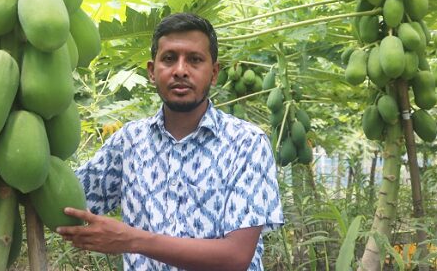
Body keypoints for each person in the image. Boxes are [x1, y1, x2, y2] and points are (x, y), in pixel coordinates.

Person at [56, 13, 284, 270]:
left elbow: (236, 256)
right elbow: (66, 201)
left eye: (195, 60)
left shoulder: (246, 143)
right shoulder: (128, 143)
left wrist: (132, 240)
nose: (180, 70)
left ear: (214, 73)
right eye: (169, 59)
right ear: (152, 72)